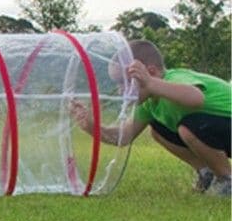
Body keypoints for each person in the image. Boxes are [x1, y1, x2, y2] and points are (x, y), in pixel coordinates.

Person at [69, 39, 231, 197]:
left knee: (187, 127)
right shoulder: (149, 103)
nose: (120, 91)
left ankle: (227, 179)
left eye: (124, 82)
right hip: (220, 133)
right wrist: (92, 127)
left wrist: (150, 83)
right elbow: (124, 137)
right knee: (157, 130)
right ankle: (206, 172)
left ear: (150, 72)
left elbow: (196, 98)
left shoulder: (174, 79)